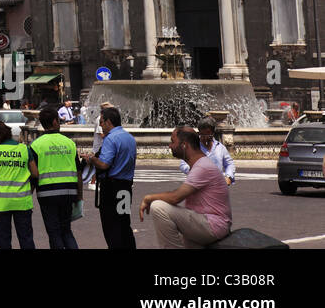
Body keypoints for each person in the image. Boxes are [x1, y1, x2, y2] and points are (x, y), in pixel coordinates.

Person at [141, 126, 232, 248]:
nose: (170, 146)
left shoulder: (202, 167)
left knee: (158, 207)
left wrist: (149, 198)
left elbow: (175, 197)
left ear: (184, 145)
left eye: (173, 142)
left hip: (213, 225)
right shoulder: (199, 164)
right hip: (205, 222)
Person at [81, 106, 136, 249]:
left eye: (102, 121)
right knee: (124, 223)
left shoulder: (111, 139)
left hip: (111, 188)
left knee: (111, 226)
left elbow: (104, 164)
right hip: (125, 187)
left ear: (109, 122)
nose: (100, 124)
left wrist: (92, 159)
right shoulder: (129, 138)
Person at [31, 105, 81, 249]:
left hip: (47, 193)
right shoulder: (69, 143)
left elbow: (34, 174)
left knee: (54, 233)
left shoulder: (36, 145)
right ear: (54, 122)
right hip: (69, 192)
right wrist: (80, 196)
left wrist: (28, 195)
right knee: (66, 231)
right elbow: (78, 171)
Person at [0, 121, 34, 249]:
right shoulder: (24, 149)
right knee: (26, 238)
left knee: (4, 239)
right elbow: (35, 173)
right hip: (21, 201)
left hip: (0, 203)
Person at [180, 116, 235, 185]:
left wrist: (228, 176)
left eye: (208, 134)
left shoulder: (220, 148)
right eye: (202, 134)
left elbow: (229, 163)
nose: (205, 137)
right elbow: (183, 164)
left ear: (213, 133)